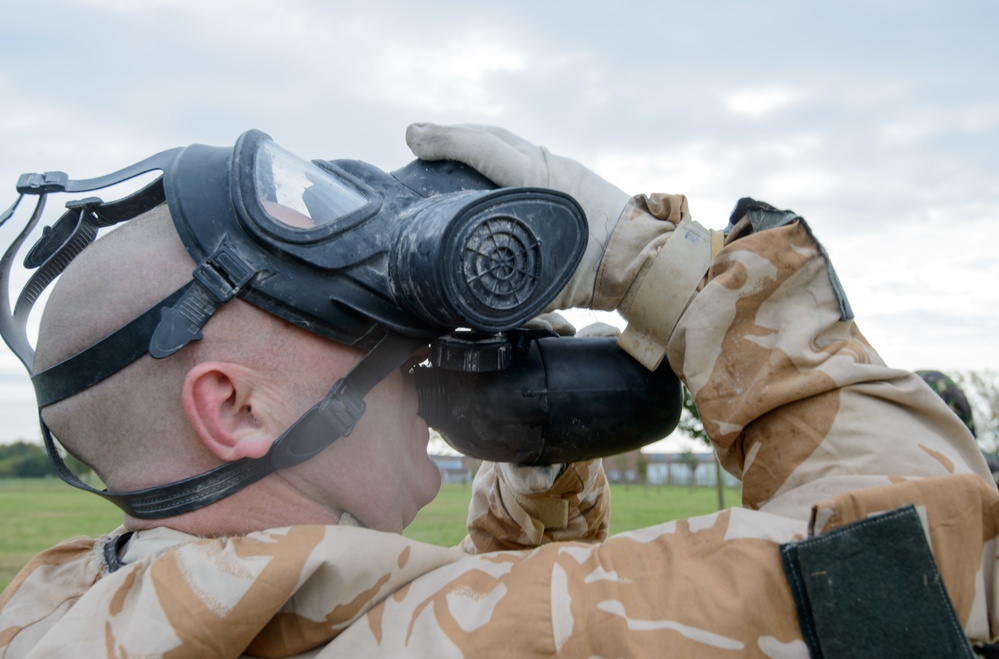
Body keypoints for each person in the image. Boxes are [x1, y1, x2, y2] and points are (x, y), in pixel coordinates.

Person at [0, 123, 996, 658]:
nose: (415, 358)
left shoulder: (61, 598)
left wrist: (540, 471)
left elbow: (489, 607)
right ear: (238, 408)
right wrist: (657, 268)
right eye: (360, 323)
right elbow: (941, 566)